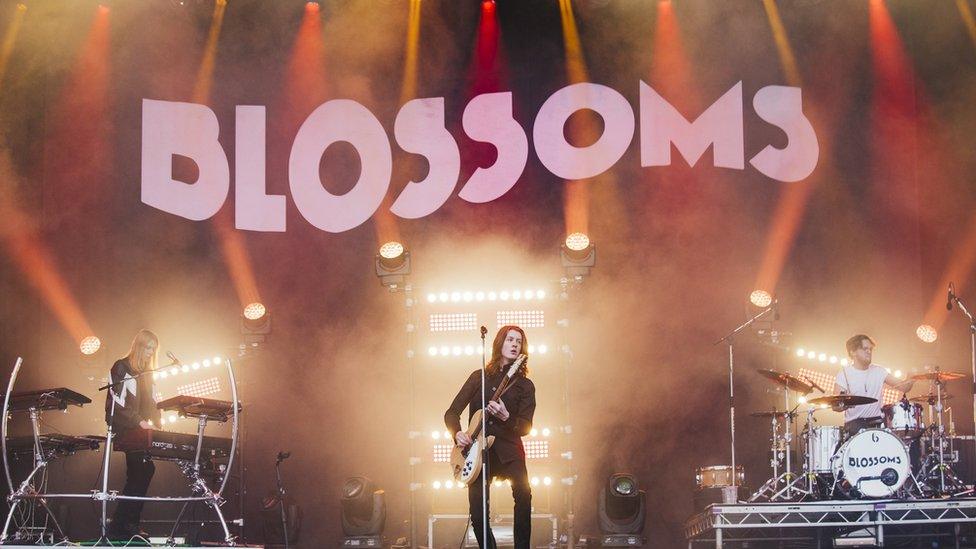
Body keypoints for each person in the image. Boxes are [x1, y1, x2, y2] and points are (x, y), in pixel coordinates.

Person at [444, 325, 536, 549]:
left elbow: (525, 427)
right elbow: (451, 412)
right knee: (477, 509)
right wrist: (457, 434)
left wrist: (506, 416)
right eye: (510, 339)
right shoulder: (479, 378)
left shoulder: (525, 385)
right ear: (499, 343)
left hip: (509, 449)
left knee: (523, 495)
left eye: (518, 341)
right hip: (477, 451)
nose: (515, 344)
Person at [104, 329, 162, 539]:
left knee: (142, 471)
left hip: (141, 429)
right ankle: (125, 524)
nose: (150, 353)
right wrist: (139, 421)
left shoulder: (148, 373)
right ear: (139, 346)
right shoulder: (122, 367)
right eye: (147, 348)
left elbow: (152, 402)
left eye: (153, 350)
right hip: (128, 428)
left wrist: (157, 423)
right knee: (141, 470)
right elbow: (118, 404)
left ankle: (123, 524)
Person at [834, 334, 915, 436]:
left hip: (877, 423)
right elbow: (835, 405)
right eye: (865, 349)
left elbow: (904, 387)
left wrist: (913, 375)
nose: (869, 351)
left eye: (870, 349)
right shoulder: (844, 374)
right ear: (853, 352)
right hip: (854, 425)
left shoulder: (879, 371)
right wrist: (844, 404)